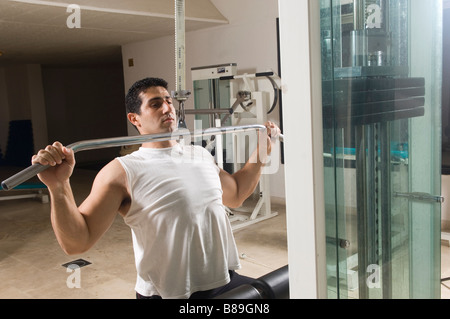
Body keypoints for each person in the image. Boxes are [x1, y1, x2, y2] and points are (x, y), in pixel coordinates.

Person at [32, 77, 281, 299]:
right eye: (155, 104)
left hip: (223, 282)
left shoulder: (200, 154)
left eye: (168, 101)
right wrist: (59, 185)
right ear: (134, 118)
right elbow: (77, 242)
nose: (167, 108)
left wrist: (262, 151)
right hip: (167, 294)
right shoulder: (122, 171)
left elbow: (236, 194)